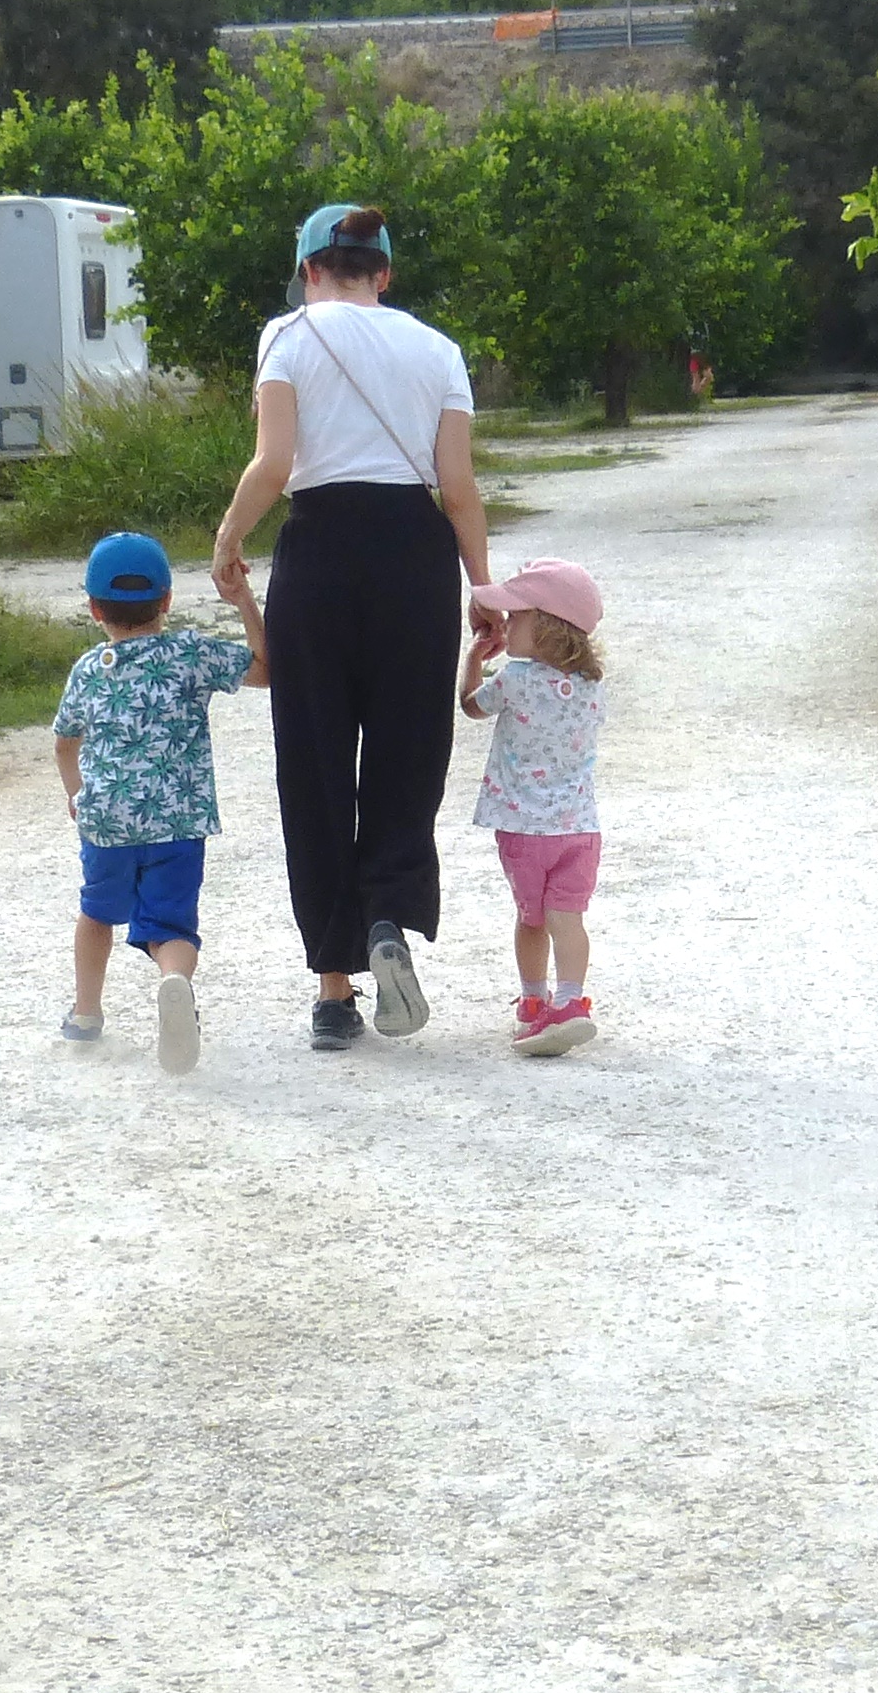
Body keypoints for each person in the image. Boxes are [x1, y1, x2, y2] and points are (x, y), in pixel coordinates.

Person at [212, 201, 493, 1054]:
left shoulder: (288, 336)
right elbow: (458, 487)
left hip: (322, 553)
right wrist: (483, 587)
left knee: (317, 761)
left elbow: (276, 462)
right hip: (414, 555)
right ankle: (388, 922)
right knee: (410, 756)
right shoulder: (437, 349)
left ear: (309, 271)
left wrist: (229, 539)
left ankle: (334, 989)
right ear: (386, 274)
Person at [49, 528, 260, 1073]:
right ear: (166, 600)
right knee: (171, 925)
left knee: (96, 913)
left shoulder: (88, 670)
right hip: (178, 820)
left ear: (94, 609)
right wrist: (245, 603)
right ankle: (173, 982)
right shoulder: (190, 653)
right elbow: (266, 669)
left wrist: (77, 796)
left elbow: (65, 743)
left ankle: (87, 1013)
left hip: (108, 823)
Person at [461, 556, 606, 1055]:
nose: (507, 624)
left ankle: (532, 1001)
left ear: (545, 627)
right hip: (580, 829)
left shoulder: (515, 680)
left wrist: (476, 658)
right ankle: (569, 1001)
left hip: (524, 830)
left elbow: (471, 706)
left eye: (517, 617)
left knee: (532, 919)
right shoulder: (592, 688)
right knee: (569, 919)